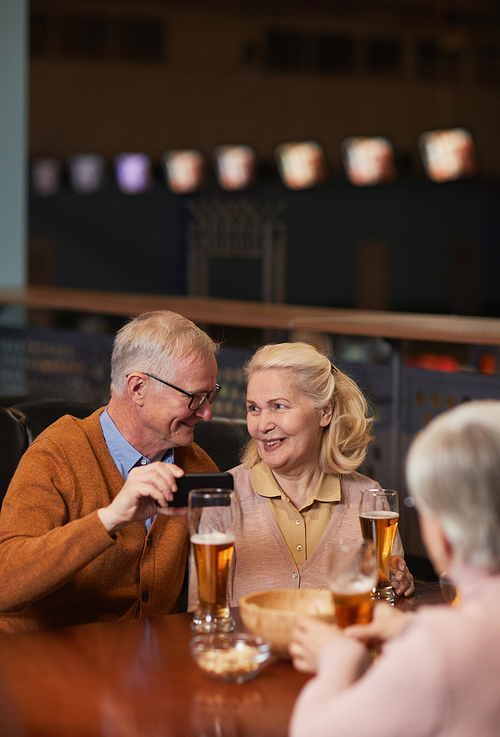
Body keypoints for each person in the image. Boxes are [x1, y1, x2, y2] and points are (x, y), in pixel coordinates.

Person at [289, 399, 500, 737]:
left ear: (443, 533)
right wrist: (407, 628)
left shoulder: (437, 650)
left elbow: (315, 730)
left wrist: (337, 657)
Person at [0, 311, 221, 632]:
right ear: (137, 388)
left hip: (143, 666)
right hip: (41, 659)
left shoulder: (198, 466)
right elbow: (5, 583)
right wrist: (111, 518)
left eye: (210, 394)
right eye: (194, 397)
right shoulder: (58, 453)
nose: (207, 412)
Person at [188, 342, 413, 609]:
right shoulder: (223, 499)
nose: (262, 425)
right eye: (254, 408)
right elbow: (201, 613)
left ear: (325, 412)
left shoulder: (368, 500)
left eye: (279, 406)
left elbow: (387, 611)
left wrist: (399, 586)